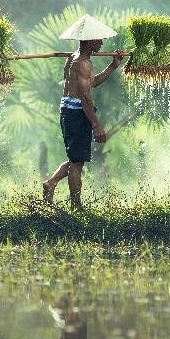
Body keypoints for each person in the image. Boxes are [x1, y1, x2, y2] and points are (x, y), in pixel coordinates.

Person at [42, 36, 122, 210]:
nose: (101, 44)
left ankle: (51, 183)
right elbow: (85, 97)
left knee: (76, 159)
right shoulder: (83, 63)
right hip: (77, 112)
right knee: (77, 162)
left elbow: (91, 83)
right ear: (90, 41)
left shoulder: (73, 57)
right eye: (98, 40)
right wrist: (96, 125)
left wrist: (113, 66)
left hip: (68, 109)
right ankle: (76, 207)